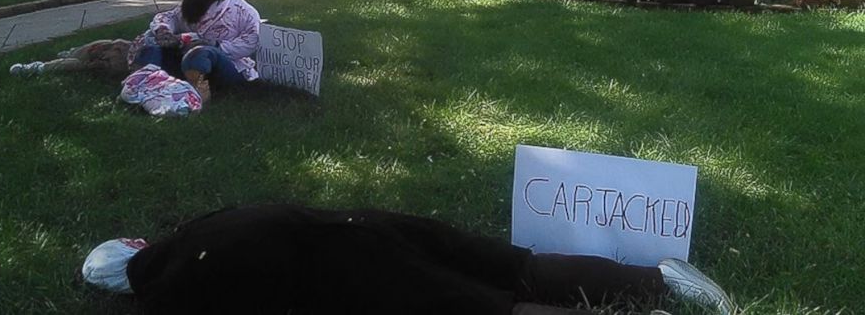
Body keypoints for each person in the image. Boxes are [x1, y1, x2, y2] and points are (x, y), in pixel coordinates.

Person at [82, 205, 734, 315]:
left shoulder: (169, 292)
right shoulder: (199, 227)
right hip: (361, 222)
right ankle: (659, 281)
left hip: (346, 269)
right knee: (511, 265)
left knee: (489, 306)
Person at [128, 0, 260, 101]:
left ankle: (195, 95)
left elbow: (251, 42)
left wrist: (214, 45)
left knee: (200, 53)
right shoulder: (191, 4)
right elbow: (170, 17)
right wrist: (164, 31)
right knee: (152, 46)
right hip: (182, 59)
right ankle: (140, 86)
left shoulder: (245, 13)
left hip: (226, 65)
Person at [9, 39, 132, 77]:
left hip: (126, 64)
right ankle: (73, 52)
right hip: (130, 50)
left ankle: (39, 68)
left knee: (77, 64)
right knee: (106, 44)